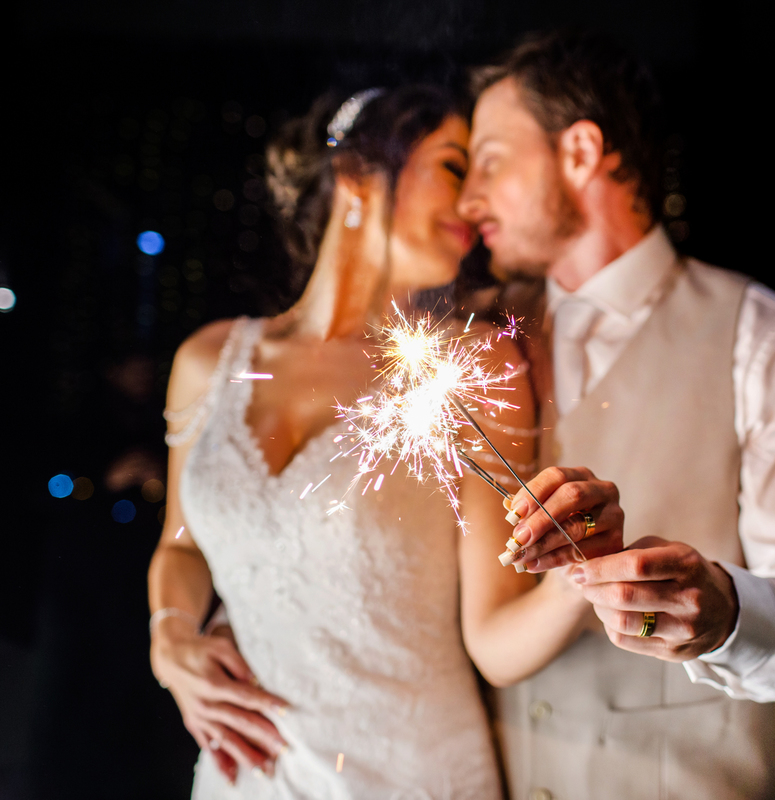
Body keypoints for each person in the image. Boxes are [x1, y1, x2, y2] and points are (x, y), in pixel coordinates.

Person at [455, 32, 775, 798]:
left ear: (580, 152)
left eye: (490, 160)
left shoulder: (763, 333)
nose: (466, 199)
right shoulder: (476, 345)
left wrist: (728, 616)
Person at [146, 85, 537, 798]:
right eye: (454, 168)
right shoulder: (209, 363)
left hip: (407, 776)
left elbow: (499, 629)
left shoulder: (470, 368)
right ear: (357, 172)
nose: (476, 202)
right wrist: (171, 642)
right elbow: (181, 545)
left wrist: (600, 578)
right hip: (243, 778)